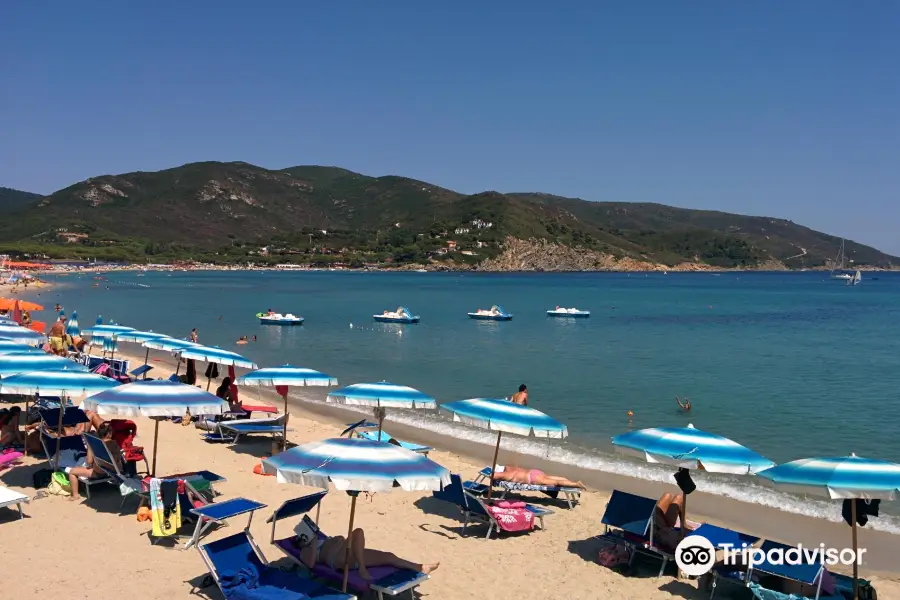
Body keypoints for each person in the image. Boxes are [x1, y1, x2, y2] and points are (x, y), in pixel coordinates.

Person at [294, 526, 439, 581]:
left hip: (349, 554)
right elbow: (311, 564)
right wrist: (312, 545)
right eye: (301, 539)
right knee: (358, 532)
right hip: (337, 559)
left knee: (388, 556)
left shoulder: (320, 539)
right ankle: (362, 569)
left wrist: (337, 539)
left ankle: (420, 567)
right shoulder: (304, 550)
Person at [66, 422, 123, 501]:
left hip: (99, 472)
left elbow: (89, 461)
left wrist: (89, 448)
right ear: (110, 433)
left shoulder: (95, 444)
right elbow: (118, 457)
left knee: (72, 471)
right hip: (115, 470)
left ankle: (75, 495)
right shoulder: (115, 443)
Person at [491, 465, 585, 489]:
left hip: (532, 478)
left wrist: (491, 475)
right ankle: (569, 481)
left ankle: (576, 484)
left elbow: (494, 476)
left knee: (555, 483)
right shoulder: (511, 468)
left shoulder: (507, 474)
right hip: (534, 472)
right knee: (551, 478)